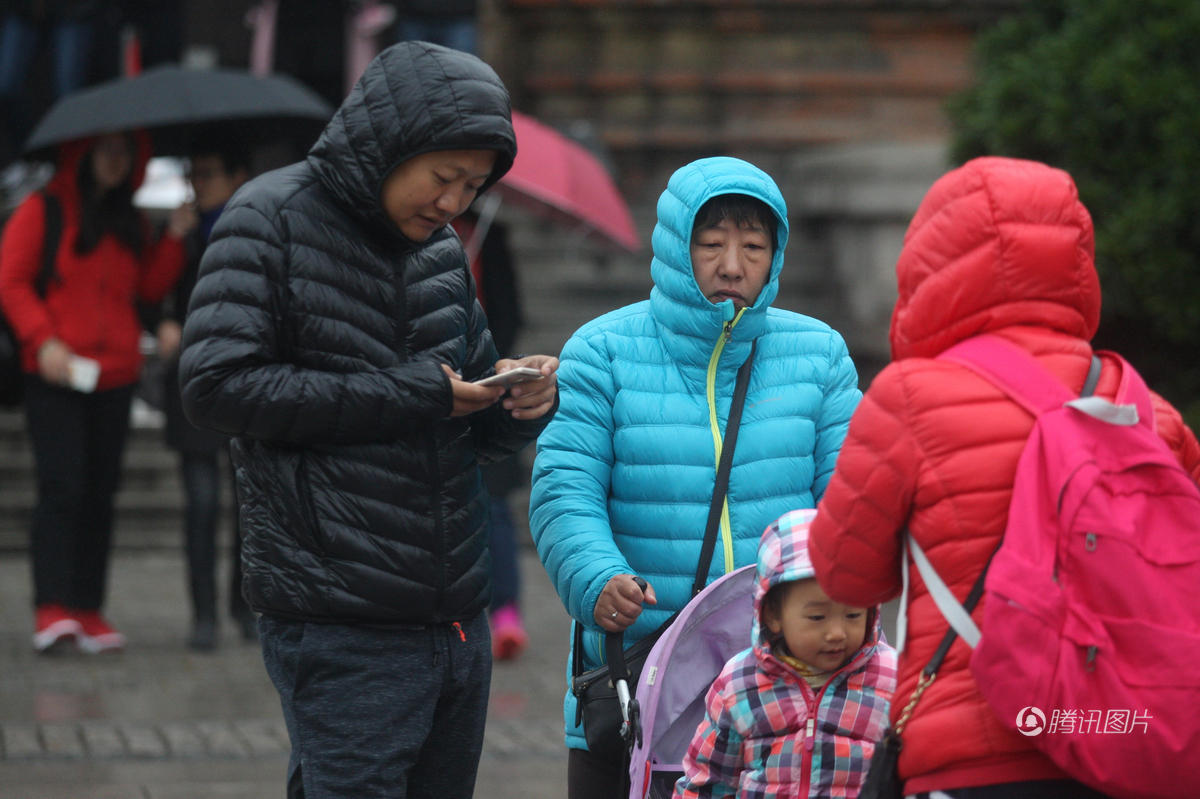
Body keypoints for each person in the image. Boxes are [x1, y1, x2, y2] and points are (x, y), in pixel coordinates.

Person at [177, 41, 558, 798]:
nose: (453, 202)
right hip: (339, 616)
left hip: (455, 616)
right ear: (392, 143)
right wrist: (410, 390)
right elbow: (215, 386)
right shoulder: (269, 218)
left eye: (473, 186)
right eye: (444, 177)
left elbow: (467, 409)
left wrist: (518, 404)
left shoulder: (442, 252)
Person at [808, 156, 1200, 799]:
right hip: (1128, 743)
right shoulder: (1147, 414)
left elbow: (846, 577)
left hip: (972, 757)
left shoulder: (909, 399)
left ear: (932, 263)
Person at [529, 155, 862, 798]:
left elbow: (850, 497)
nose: (732, 265)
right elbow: (564, 489)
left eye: (753, 246)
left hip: (787, 693)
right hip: (640, 685)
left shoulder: (819, 353)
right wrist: (597, 578)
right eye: (710, 244)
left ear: (777, 253)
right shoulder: (602, 351)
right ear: (675, 247)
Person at [0, 130, 188, 654]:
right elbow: (11, 281)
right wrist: (44, 341)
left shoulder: (130, 219)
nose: (115, 158)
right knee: (61, 489)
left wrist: (172, 239)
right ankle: (52, 609)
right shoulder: (44, 209)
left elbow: (146, 290)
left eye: (124, 150)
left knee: (101, 495)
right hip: (55, 375)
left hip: (115, 376)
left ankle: (86, 609)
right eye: (104, 148)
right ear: (79, 153)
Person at [673, 508, 896, 799]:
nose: (837, 632)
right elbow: (708, 780)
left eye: (853, 615)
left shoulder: (893, 678)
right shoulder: (740, 684)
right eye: (817, 617)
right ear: (773, 614)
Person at [152, 140, 254, 651]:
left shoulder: (256, 228)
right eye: (193, 173)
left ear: (236, 177)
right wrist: (173, 242)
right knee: (200, 503)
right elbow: (151, 294)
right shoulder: (180, 235)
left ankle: (243, 606)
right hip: (193, 383)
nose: (198, 184)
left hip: (244, 382)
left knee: (246, 507)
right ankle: (204, 614)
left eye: (209, 172)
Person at [452, 209, 530, 660]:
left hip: (489, 389)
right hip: (436, 389)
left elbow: (509, 309)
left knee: (495, 507)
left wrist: (488, 360)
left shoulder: (488, 235)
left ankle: (505, 612)